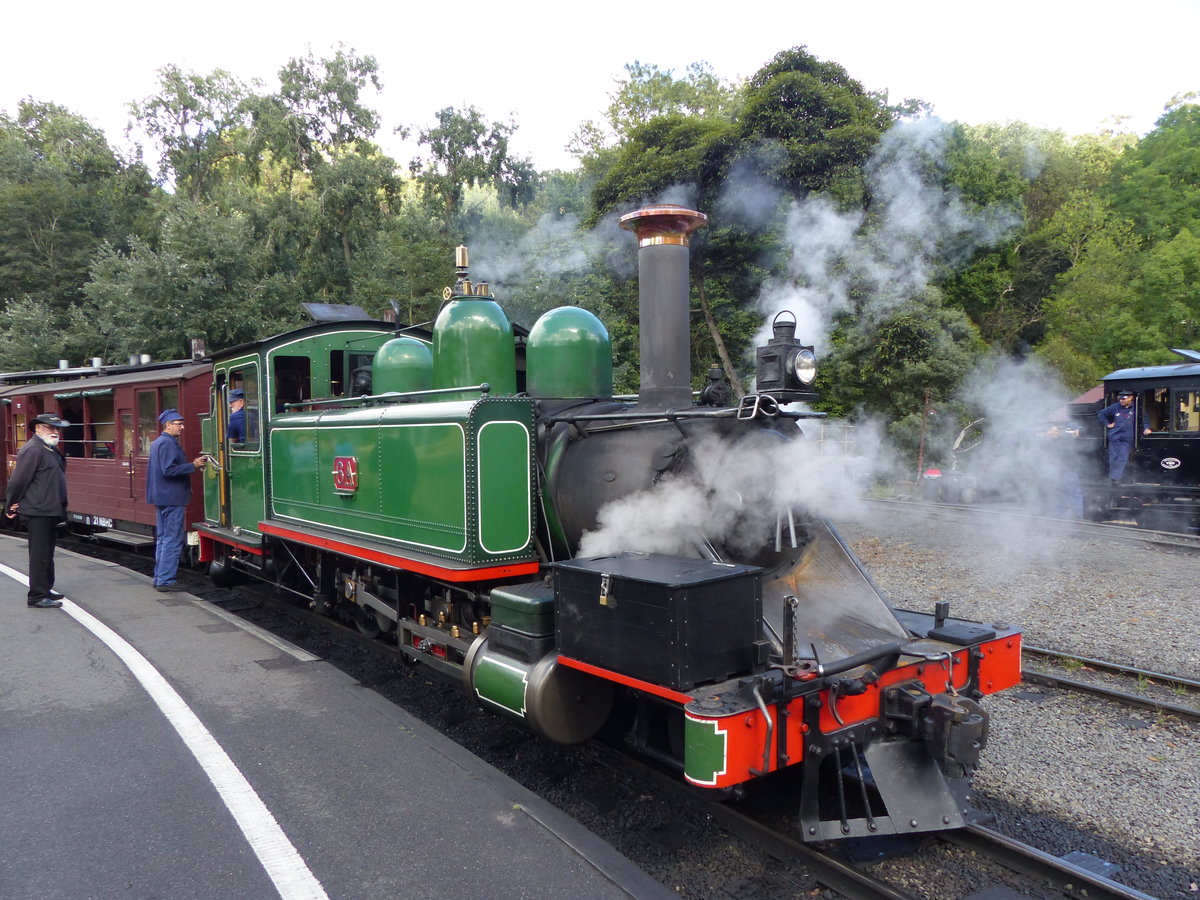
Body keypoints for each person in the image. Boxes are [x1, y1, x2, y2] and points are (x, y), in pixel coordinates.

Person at [4, 413, 70, 608]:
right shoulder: (33, 450)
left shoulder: (47, 449)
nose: (56, 432)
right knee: (40, 554)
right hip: (38, 510)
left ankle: (46, 589)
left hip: (48, 509)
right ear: (38, 428)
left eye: (57, 428)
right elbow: (18, 480)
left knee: (47, 553)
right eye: (51, 428)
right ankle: (37, 596)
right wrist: (11, 503)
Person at [147, 409, 206, 592]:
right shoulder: (167, 443)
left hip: (162, 497)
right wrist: (193, 465)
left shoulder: (157, 443)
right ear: (168, 425)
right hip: (172, 498)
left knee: (164, 539)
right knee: (172, 539)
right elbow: (169, 470)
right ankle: (166, 580)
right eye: (179, 424)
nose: (182, 427)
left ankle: (160, 577)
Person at [1096, 390, 1151, 482]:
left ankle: (1114, 478)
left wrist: (1146, 428)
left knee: (1123, 457)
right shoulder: (1115, 407)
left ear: (1130, 398)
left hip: (1128, 437)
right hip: (1115, 436)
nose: (1121, 400)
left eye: (1123, 399)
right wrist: (1107, 424)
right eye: (1120, 398)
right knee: (1114, 457)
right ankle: (1114, 477)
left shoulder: (1137, 408)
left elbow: (1144, 419)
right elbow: (1101, 414)